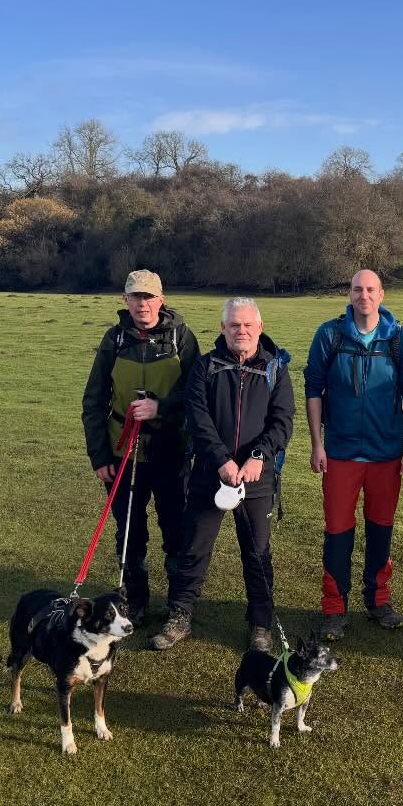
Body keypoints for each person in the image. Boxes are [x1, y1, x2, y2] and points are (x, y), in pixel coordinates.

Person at [153, 298, 295, 652]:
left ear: (259, 328)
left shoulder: (276, 368)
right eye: (234, 325)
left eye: (247, 325)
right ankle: (180, 615)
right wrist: (220, 460)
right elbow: (197, 418)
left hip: (256, 476)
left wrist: (259, 456)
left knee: (257, 552)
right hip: (208, 473)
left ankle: (260, 624)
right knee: (194, 548)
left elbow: (283, 421)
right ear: (223, 329)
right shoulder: (205, 367)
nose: (241, 331)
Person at [303, 269, 403, 641]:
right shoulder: (330, 334)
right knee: (338, 530)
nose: (364, 296)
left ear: (382, 294)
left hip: (387, 453)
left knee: (380, 528)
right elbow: (313, 389)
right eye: (357, 289)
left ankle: (378, 600)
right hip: (340, 453)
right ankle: (334, 608)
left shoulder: (400, 338)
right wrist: (317, 444)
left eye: (370, 289)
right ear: (349, 294)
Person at [81, 270, 199, 624]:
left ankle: (179, 606)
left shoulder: (181, 337)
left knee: (176, 529)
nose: (143, 303)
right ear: (125, 300)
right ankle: (135, 599)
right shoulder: (114, 339)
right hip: (122, 454)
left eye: (149, 297)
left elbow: (198, 394)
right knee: (130, 531)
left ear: (161, 299)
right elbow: (93, 400)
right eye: (136, 297)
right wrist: (99, 456)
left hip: (170, 451)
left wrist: (160, 408)